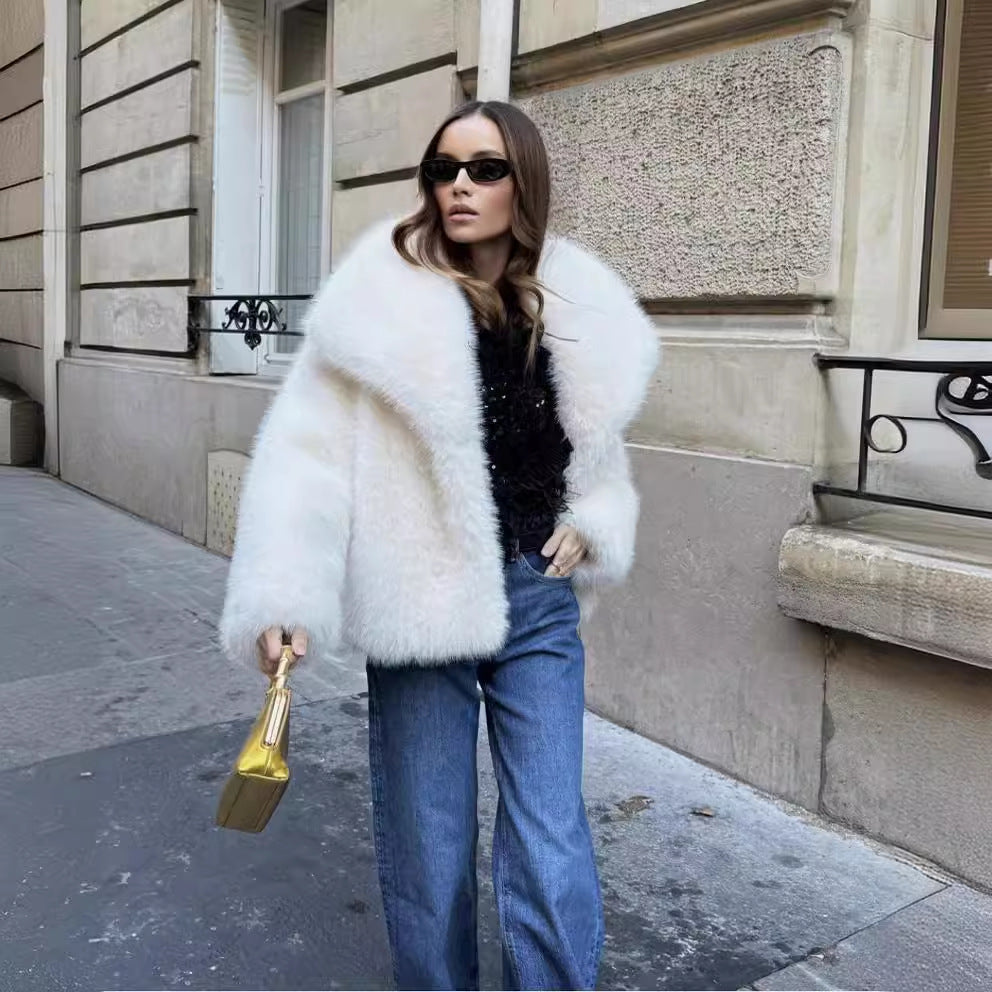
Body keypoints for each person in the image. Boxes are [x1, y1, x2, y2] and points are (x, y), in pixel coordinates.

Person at [220, 100, 659, 990]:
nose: (459, 185)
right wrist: (286, 592)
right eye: (443, 168)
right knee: (428, 837)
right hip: (418, 599)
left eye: (484, 169)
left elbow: (595, 458)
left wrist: (593, 522)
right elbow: (306, 457)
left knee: (551, 833)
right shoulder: (376, 304)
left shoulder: (573, 305)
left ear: (522, 182)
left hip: (537, 595)